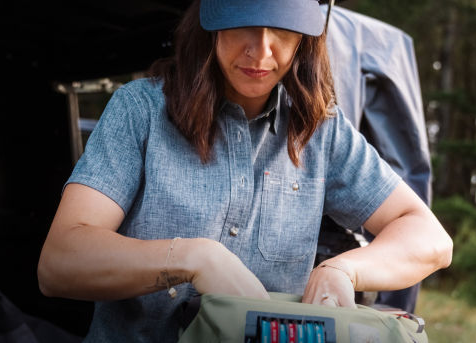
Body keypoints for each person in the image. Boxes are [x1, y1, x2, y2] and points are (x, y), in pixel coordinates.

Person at [37, 0, 453, 341]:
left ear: (307, 38)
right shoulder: (139, 111)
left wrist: (342, 270)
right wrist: (192, 258)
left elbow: (430, 239)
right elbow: (60, 264)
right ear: (210, 24)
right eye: (244, 26)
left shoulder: (321, 132)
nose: (262, 51)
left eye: (283, 31)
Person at [319, 4, 433, 313]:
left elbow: (425, 232)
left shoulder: (327, 133)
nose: (261, 48)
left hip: (336, 242)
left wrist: (394, 307)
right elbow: (406, 163)